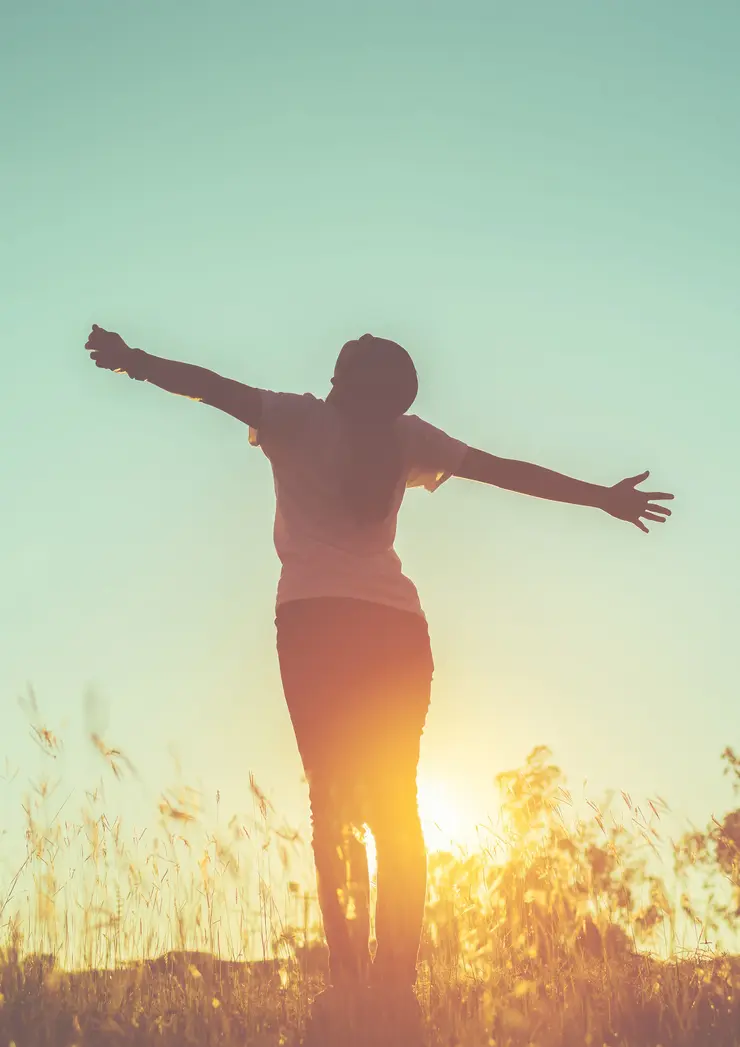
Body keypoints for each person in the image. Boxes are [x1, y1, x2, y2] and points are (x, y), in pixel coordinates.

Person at [84, 325, 673, 1033]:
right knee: (396, 807)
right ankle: (396, 986)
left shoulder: (299, 417)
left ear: (339, 377)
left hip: (314, 624)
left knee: (333, 806)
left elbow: (209, 386)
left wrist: (132, 361)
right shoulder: (405, 435)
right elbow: (508, 470)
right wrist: (601, 497)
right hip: (395, 628)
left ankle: (348, 985)